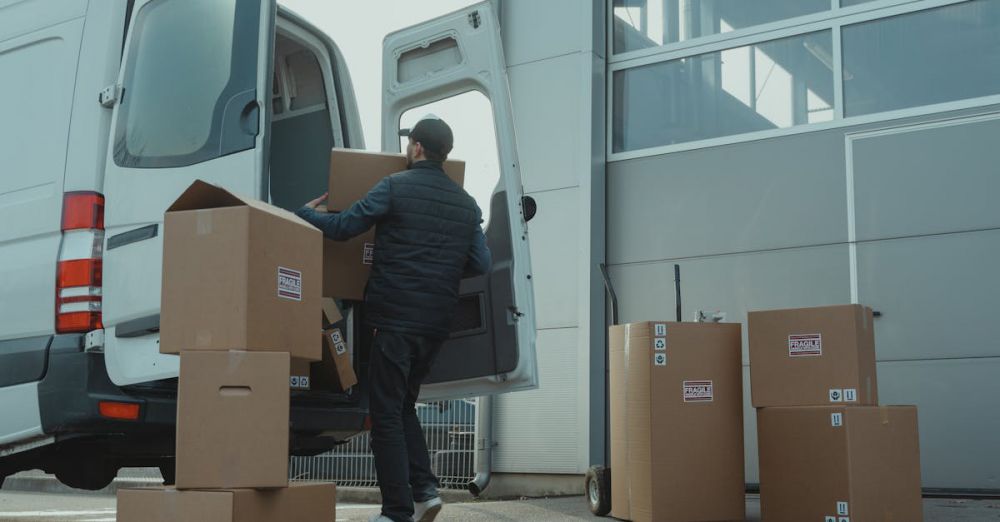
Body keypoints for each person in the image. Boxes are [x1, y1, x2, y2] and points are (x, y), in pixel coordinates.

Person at [296, 116, 491, 522]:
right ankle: (424, 490)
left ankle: (396, 512)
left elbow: (343, 227)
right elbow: (480, 262)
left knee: (385, 413)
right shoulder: (466, 205)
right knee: (403, 405)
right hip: (435, 324)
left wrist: (306, 214)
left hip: (393, 319)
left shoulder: (394, 187)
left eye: (409, 144)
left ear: (417, 147)